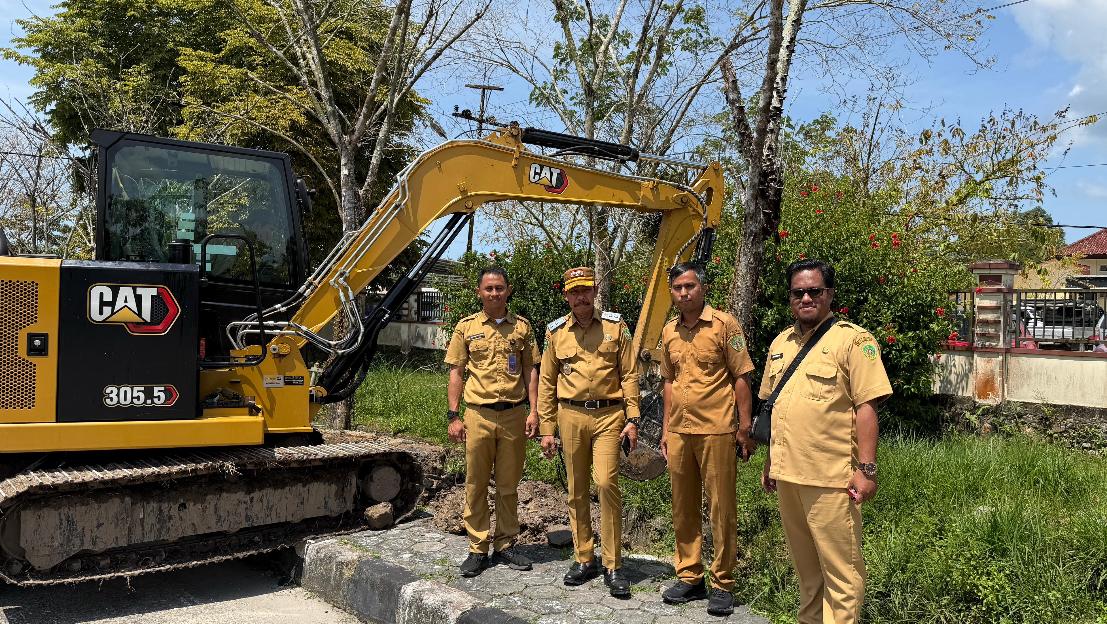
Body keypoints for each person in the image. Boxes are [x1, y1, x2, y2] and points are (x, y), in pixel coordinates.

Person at [758, 259, 892, 624]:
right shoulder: (780, 343)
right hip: (788, 475)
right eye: (798, 292)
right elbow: (775, 407)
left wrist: (866, 470)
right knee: (807, 573)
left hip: (831, 479)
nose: (806, 298)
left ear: (829, 294)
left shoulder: (853, 341)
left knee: (841, 575)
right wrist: (770, 461)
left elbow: (867, 407)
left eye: (814, 291)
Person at [658, 262, 755, 617]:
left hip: (717, 429)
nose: (684, 293)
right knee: (682, 506)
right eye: (678, 288)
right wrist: (666, 430)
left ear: (703, 288)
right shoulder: (669, 331)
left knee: (721, 508)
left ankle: (723, 582)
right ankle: (690, 575)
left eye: (690, 286)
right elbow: (669, 382)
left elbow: (741, 376)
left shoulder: (725, 324)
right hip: (680, 431)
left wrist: (744, 427)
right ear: (672, 292)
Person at [537, 266, 640, 598]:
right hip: (570, 416)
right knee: (576, 488)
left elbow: (629, 374)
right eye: (574, 292)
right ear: (566, 296)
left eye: (585, 290)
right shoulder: (555, 332)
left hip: (609, 415)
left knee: (607, 483)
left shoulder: (615, 326)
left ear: (595, 291)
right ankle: (584, 557)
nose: (580, 297)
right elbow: (546, 382)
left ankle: (613, 564)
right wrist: (547, 429)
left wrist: (633, 417)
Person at [444, 267, 541, 578]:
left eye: (500, 288)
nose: (494, 293)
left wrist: (534, 411)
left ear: (508, 290)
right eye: (489, 288)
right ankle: (477, 547)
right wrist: (454, 415)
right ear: (479, 292)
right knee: (476, 483)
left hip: (514, 414)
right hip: (478, 415)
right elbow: (457, 372)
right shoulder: (466, 327)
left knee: (509, 484)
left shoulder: (522, 327)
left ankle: (505, 543)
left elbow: (531, 371)